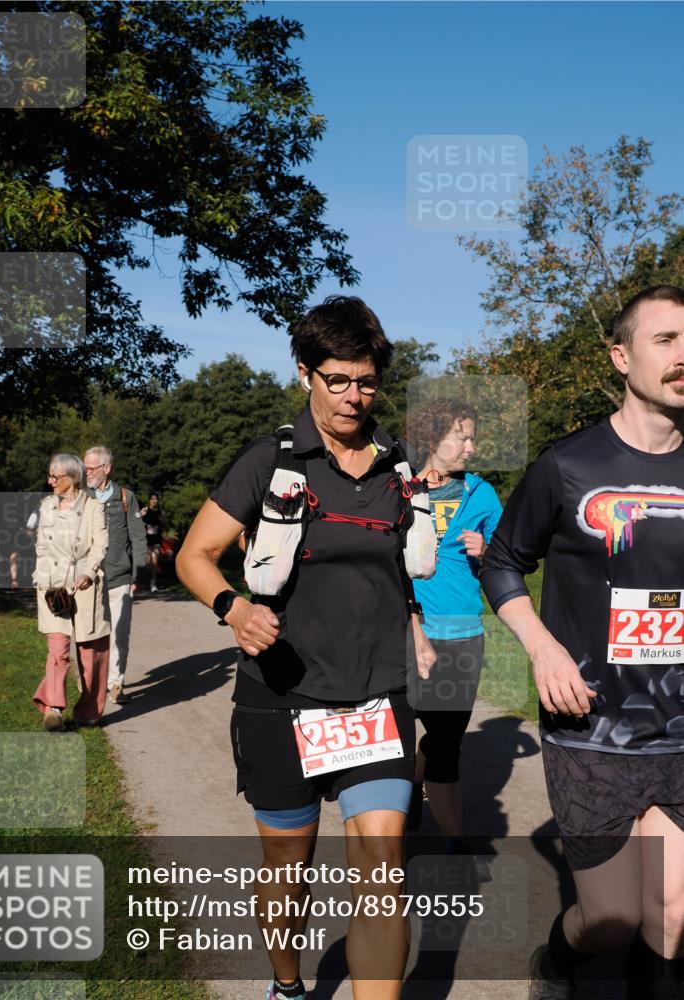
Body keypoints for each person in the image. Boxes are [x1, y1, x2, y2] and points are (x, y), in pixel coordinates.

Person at [177, 295, 436, 1000]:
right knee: (288, 869)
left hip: (376, 696)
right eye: (337, 380)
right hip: (282, 696)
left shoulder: (398, 465)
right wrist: (233, 608)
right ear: (305, 374)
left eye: (367, 382)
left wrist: (413, 620)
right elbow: (196, 556)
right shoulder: (269, 460)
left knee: (382, 867)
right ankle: (288, 984)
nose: (354, 396)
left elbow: (396, 565)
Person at [480, 285, 684, 1000]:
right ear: (621, 356)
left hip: (679, 730)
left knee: (673, 913)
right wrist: (542, 648)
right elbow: (502, 561)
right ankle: (559, 958)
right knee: (611, 919)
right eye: (666, 340)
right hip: (592, 726)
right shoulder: (568, 466)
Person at [406, 399, 502, 844]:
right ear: (433, 438)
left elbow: (511, 560)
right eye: (461, 437)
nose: (471, 447)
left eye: (472, 438)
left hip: (465, 637)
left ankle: (428, 811)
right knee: (419, 737)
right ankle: (453, 842)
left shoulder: (482, 494)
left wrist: (488, 552)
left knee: (445, 741)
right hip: (409, 634)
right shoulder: (399, 488)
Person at [32, 453, 111, 731]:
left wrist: (89, 572)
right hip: (52, 587)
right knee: (58, 650)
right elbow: (41, 545)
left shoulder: (93, 507)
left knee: (91, 653)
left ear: (73, 478)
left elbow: (100, 545)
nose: (50, 481)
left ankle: (89, 710)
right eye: (50, 475)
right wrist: (41, 576)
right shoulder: (46, 506)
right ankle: (53, 709)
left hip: (84, 586)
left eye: (55, 477)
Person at [84, 446, 147, 705]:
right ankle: (92, 684)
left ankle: (115, 683)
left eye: (92, 468)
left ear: (107, 468)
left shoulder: (125, 497)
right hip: (88, 580)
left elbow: (138, 537)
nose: (87, 472)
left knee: (119, 634)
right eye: (85, 468)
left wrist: (138, 574)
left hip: (120, 577)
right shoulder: (81, 497)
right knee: (91, 635)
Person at [141, 492, 165, 592]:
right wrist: (141, 516)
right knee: (148, 562)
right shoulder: (145, 510)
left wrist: (163, 520)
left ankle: (153, 583)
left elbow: (166, 524)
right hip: (146, 540)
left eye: (156, 499)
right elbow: (137, 522)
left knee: (155, 561)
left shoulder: (161, 512)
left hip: (156, 540)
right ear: (149, 500)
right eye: (152, 499)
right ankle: (146, 582)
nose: (154, 501)